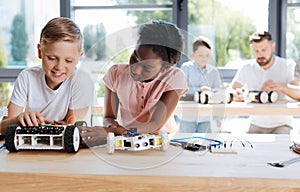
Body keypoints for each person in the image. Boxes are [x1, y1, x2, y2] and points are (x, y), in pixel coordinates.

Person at [79, 20, 188, 146]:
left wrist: (114, 133)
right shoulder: (116, 74)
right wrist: (111, 126)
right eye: (135, 57)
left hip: (162, 143)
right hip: (127, 142)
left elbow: (154, 126)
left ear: (165, 68)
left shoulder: (174, 77)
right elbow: (109, 117)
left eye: (147, 68)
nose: (135, 69)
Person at [0, 17, 96, 135]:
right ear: (40, 52)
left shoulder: (82, 80)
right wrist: (19, 119)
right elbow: (3, 127)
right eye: (52, 58)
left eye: (69, 61)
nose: (59, 67)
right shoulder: (27, 77)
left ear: (79, 57)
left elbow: (71, 129)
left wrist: (31, 127)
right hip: (32, 149)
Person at [230, 31, 300, 134]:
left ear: (273, 47)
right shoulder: (247, 68)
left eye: (264, 50)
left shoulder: (287, 66)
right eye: (256, 51)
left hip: (282, 124)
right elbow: (231, 90)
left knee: (280, 148)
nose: (260, 54)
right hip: (256, 124)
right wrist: (235, 95)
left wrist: (282, 87)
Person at [178, 36, 223, 133]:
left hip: (206, 117)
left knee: (206, 145)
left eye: (207, 55)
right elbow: (181, 90)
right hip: (188, 116)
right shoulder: (186, 67)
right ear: (193, 54)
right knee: (184, 143)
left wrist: (210, 92)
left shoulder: (213, 71)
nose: (204, 58)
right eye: (200, 55)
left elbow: (219, 90)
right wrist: (199, 90)